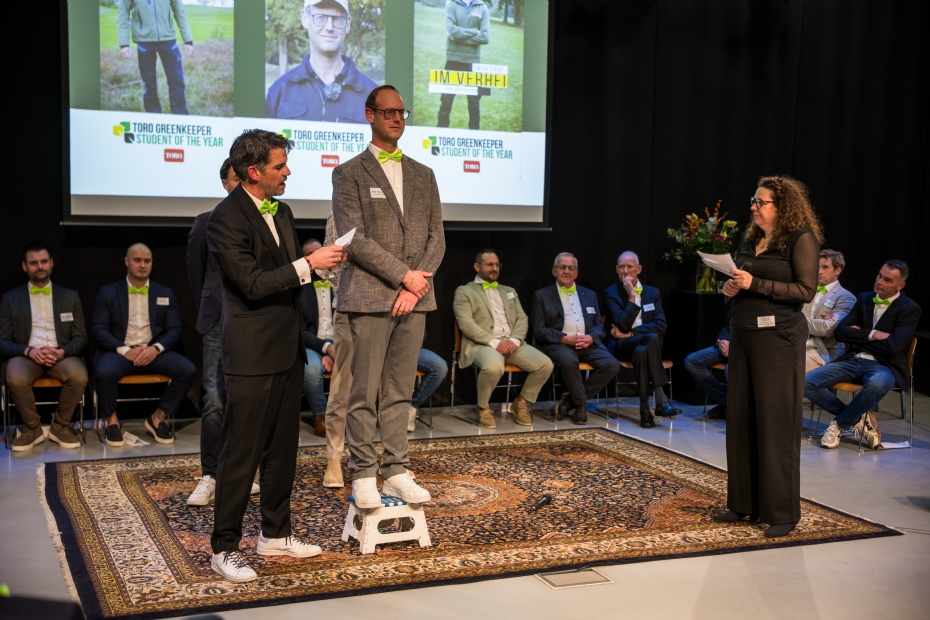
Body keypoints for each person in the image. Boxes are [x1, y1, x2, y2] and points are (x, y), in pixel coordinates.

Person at [206, 129, 345, 582]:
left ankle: (275, 534)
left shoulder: (282, 211)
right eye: (279, 166)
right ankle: (224, 547)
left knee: (284, 449)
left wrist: (321, 270)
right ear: (253, 171)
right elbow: (251, 283)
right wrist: (309, 264)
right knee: (241, 453)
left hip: (288, 347)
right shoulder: (224, 218)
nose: (288, 172)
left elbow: (286, 276)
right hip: (251, 352)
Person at [332, 84, 445, 509]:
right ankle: (364, 472)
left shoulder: (424, 173)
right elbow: (353, 238)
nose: (397, 118)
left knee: (399, 389)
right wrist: (405, 277)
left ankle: (397, 470)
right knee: (364, 392)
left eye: (402, 112)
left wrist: (415, 286)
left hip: (416, 299)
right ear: (370, 115)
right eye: (388, 112)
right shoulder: (348, 173)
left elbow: (437, 238)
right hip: (369, 295)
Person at [716, 175, 821, 539]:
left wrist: (754, 284)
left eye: (761, 202)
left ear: (782, 206)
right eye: (754, 200)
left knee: (776, 425)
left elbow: (805, 291)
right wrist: (730, 286)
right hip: (743, 334)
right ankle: (743, 503)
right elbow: (739, 279)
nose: (754, 207)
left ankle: (782, 513)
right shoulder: (750, 238)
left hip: (779, 340)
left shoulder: (800, 238)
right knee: (741, 420)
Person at [186, 160, 260, 506]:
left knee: (246, 399)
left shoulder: (263, 220)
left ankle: (242, 473)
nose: (242, 184)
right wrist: (210, 307)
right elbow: (196, 274)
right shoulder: (206, 221)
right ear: (225, 184)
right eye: (236, 179)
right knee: (215, 398)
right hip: (218, 320)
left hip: (254, 320)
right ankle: (211, 474)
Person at [805, 260, 921, 450]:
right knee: (805, 382)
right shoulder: (865, 298)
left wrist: (858, 335)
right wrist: (871, 334)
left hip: (884, 365)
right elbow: (840, 332)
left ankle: (839, 425)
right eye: (879, 276)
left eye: (887, 280)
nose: (879, 282)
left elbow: (893, 347)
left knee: (877, 384)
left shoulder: (910, 308)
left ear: (901, 285)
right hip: (853, 359)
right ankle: (858, 419)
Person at [91, 243, 197, 448]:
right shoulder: (108, 292)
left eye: (147, 261)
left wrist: (155, 349)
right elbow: (98, 329)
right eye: (137, 260)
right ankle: (112, 421)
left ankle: (158, 418)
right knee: (105, 372)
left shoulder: (165, 292)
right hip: (120, 352)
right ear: (127, 261)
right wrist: (125, 350)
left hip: (152, 352)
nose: (142, 265)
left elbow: (175, 329)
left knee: (187, 369)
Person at [1, 242, 87, 452]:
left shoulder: (70, 296)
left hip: (61, 355)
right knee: (15, 378)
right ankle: (33, 429)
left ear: (51, 263)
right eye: (34, 263)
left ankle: (60, 426)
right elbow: (3, 341)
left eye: (44, 261)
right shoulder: (10, 299)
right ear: (25, 266)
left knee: (79, 376)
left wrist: (62, 351)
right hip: (27, 356)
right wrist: (29, 351)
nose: (40, 267)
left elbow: (81, 337)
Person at [453, 249, 553, 428]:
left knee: (545, 364)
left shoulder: (509, 291)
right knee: (493, 367)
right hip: (482, 344)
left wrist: (514, 340)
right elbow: (466, 324)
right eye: (489, 264)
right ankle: (482, 407)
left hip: (511, 343)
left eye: (497, 265)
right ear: (477, 266)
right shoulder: (464, 291)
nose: (494, 268)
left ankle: (521, 402)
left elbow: (522, 318)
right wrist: (495, 343)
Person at [532, 253, 620, 425]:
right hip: (560, 344)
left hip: (587, 343)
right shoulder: (541, 295)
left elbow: (599, 325)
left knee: (612, 365)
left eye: (570, 268)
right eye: (562, 267)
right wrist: (564, 339)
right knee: (568, 360)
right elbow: (539, 329)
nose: (566, 271)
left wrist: (590, 338)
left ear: (576, 273)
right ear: (554, 271)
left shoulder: (589, 294)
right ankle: (580, 405)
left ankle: (570, 400)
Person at [603, 251, 681, 428]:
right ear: (616, 270)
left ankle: (645, 410)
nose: (625, 271)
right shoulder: (610, 293)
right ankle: (661, 400)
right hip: (622, 346)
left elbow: (661, 325)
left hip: (643, 346)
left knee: (641, 351)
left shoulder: (652, 293)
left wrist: (632, 333)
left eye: (629, 267)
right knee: (651, 338)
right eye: (621, 267)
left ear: (638, 269)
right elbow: (622, 324)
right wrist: (631, 296)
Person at [266, 0, 378, 123]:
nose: (329, 27)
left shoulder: (373, 96)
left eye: (337, 19)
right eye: (320, 17)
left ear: (347, 23)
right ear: (305, 18)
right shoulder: (279, 92)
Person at [117, 0, 193, 115]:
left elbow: (180, 12)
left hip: (168, 40)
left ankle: (180, 116)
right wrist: (124, 44)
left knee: (177, 81)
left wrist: (188, 40)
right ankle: (153, 115)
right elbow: (123, 15)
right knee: (149, 84)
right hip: (144, 42)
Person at [300, 238, 336, 438]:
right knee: (312, 370)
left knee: (357, 366)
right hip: (312, 345)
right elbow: (301, 331)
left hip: (340, 343)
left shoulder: (339, 284)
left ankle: (348, 417)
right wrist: (326, 348)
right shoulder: (301, 289)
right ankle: (321, 417)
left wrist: (334, 349)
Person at [437, 0, 490, 130]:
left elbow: (485, 37)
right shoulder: (451, 4)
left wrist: (460, 39)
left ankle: (474, 136)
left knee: (474, 105)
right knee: (446, 102)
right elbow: (451, 30)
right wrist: (474, 31)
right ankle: (440, 134)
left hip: (473, 63)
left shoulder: (482, 7)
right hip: (453, 61)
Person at [803, 249, 857, 373]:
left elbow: (827, 329)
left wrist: (798, 320)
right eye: (817, 267)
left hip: (823, 351)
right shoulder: (807, 291)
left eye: (825, 267)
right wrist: (818, 322)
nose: (819, 271)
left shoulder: (846, 297)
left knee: (793, 363)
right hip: (799, 344)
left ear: (838, 270)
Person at [684, 308, 732, 420]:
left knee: (730, 369)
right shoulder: (737, 301)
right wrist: (721, 341)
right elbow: (727, 326)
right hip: (730, 345)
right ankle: (727, 401)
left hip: (747, 348)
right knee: (691, 361)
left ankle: (735, 406)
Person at [410, 342, 448, 430]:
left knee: (440, 367)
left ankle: (412, 407)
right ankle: (386, 409)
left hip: (413, 348)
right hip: (390, 349)